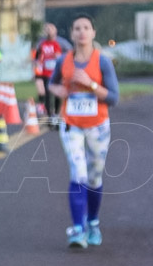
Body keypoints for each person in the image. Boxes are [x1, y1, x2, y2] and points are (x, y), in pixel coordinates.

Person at [48, 14, 119, 248]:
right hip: (71, 125)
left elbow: (113, 98)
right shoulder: (63, 61)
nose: (81, 32)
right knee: (78, 173)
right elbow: (52, 83)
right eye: (77, 28)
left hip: (98, 125)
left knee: (94, 176)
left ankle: (93, 223)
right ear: (72, 33)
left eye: (86, 28)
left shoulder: (103, 62)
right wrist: (59, 91)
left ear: (93, 33)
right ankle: (77, 229)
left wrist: (90, 84)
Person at [34, 23, 63, 127]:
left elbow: (62, 56)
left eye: (50, 29)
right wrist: (38, 63)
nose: (48, 31)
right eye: (46, 29)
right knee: (47, 94)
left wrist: (57, 57)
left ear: (55, 31)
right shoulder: (42, 44)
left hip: (56, 73)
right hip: (45, 73)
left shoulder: (58, 43)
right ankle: (50, 115)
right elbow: (37, 57)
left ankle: (56, 114)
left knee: (57, 94)